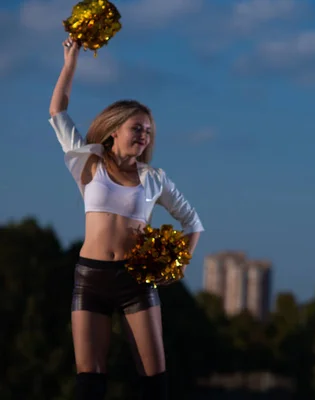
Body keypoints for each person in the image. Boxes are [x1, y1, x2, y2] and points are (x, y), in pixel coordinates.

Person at [49, 37, 205, 400]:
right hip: (90, 277)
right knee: (90, 377)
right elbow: (58, 110)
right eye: (137, 128)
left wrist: (176, 265)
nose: (144, 135)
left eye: (148, 131)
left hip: (136, 280)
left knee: (153, 378)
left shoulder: (154, 178)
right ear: (115, 130)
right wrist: (71, 60)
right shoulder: (87, 163)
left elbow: (193, 222)